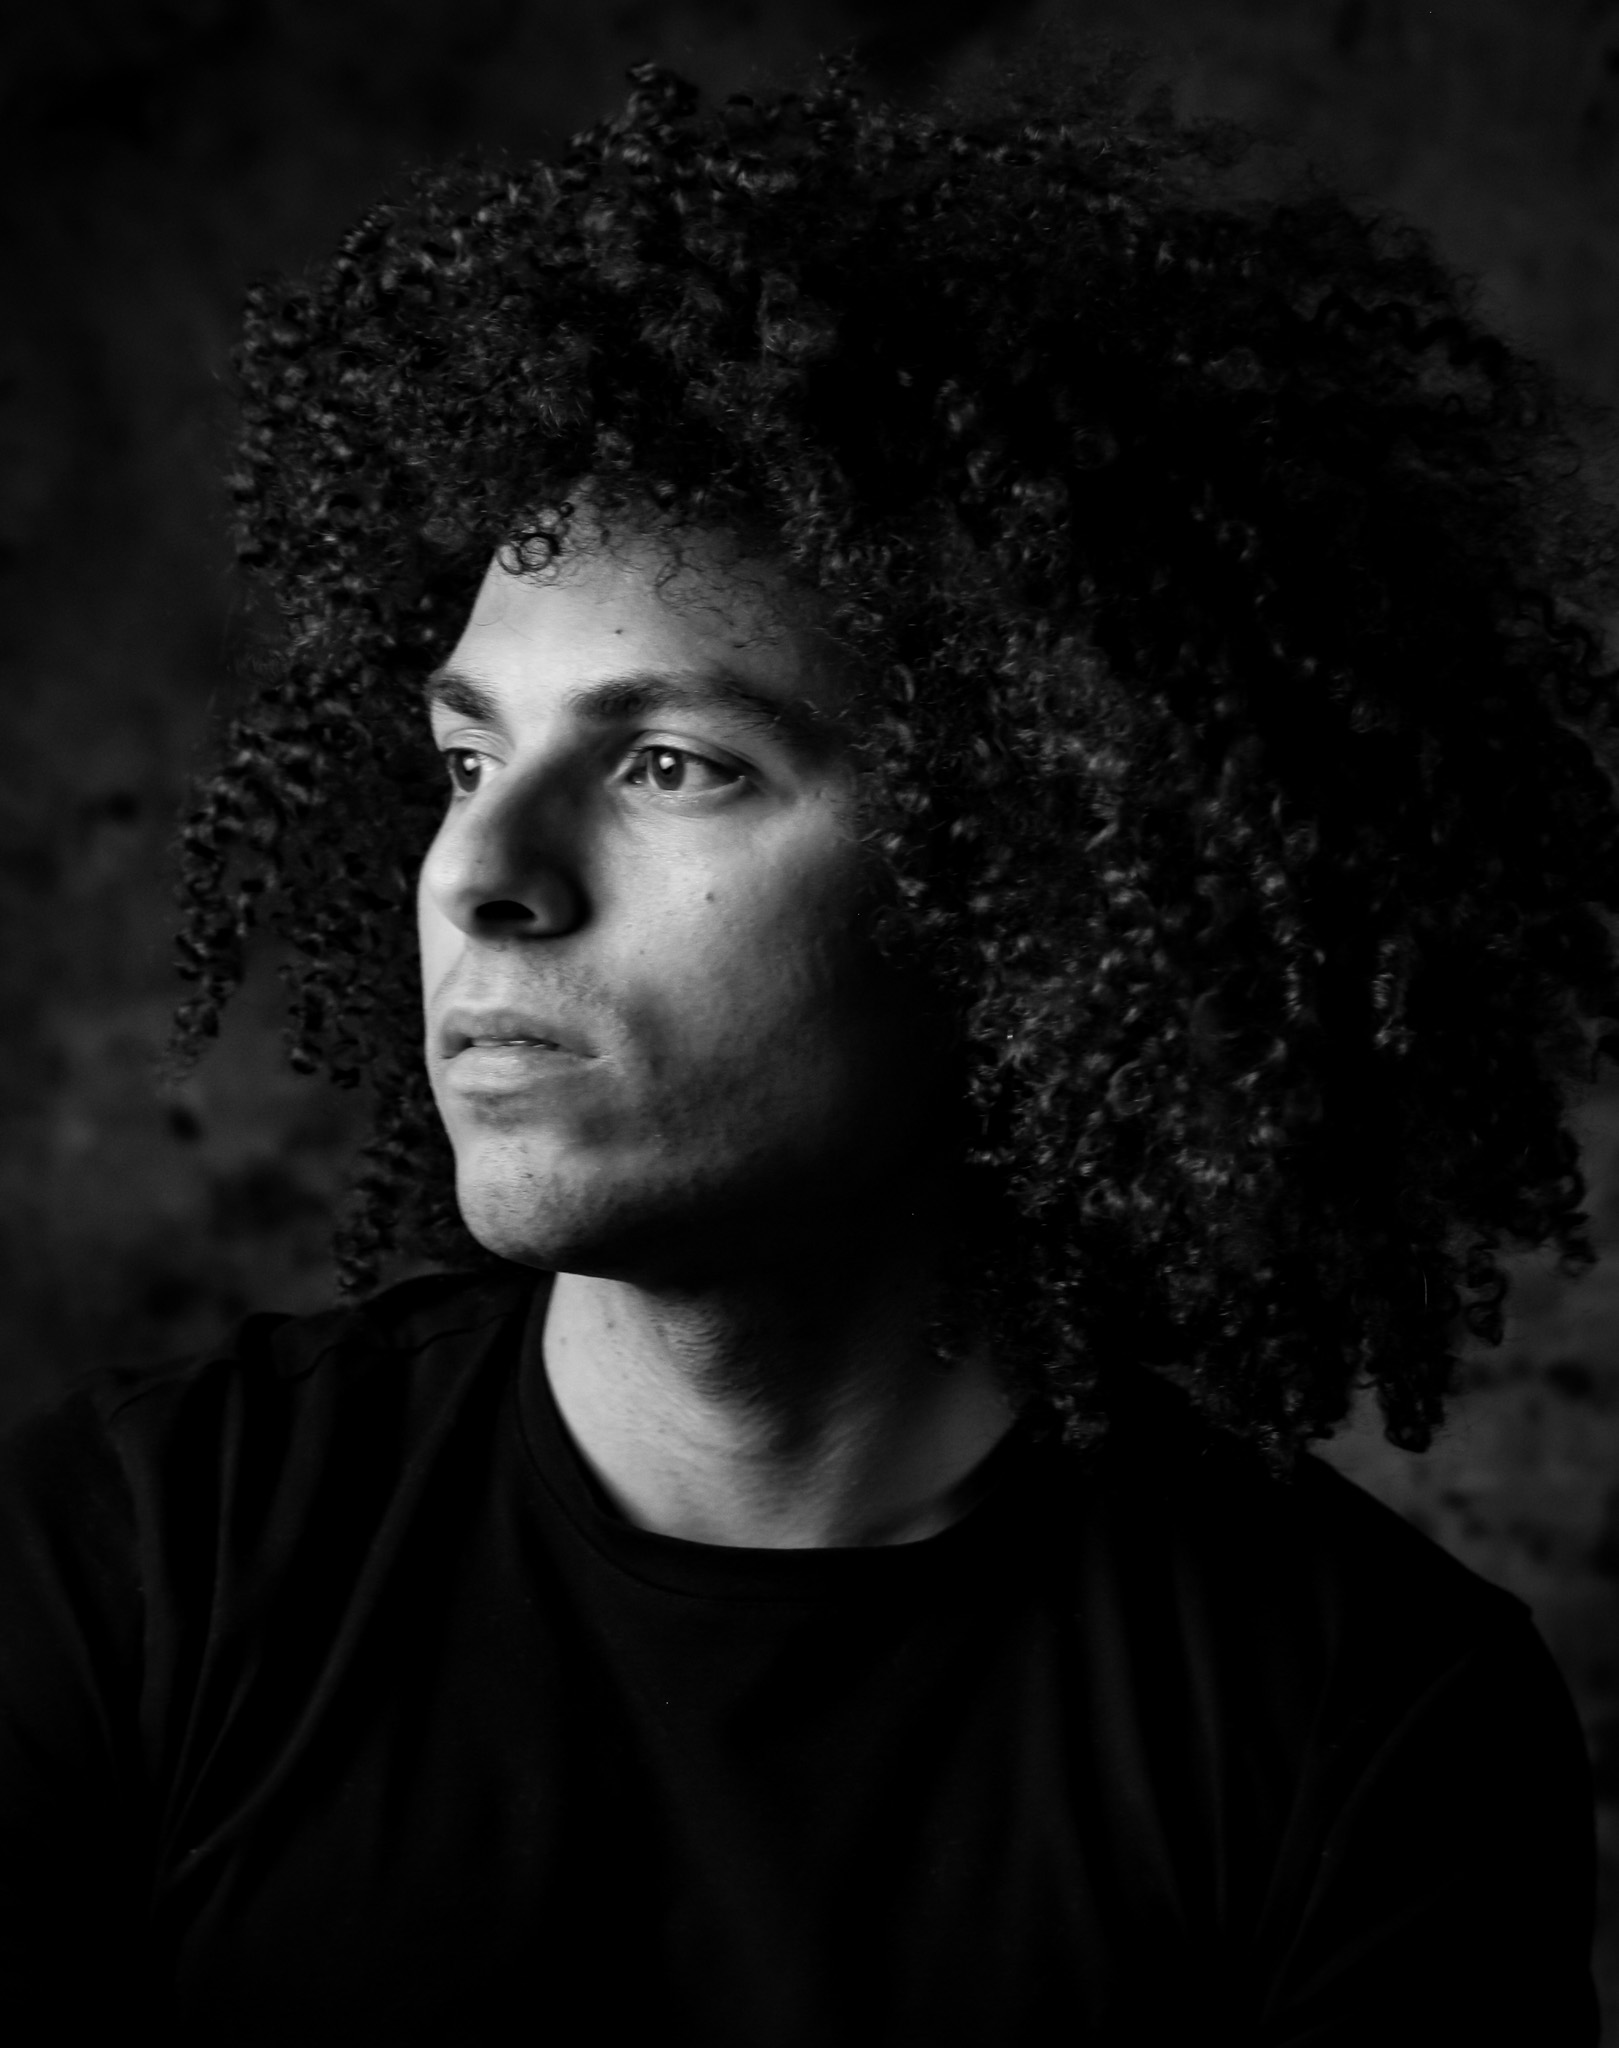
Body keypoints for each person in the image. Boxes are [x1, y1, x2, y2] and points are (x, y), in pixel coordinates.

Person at [0, 53, 1608, 2044]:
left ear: (1027, 882)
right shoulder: (144, 1562)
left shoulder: (1351, 1722)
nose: (481, 874)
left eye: (671, 762)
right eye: (466, 757)